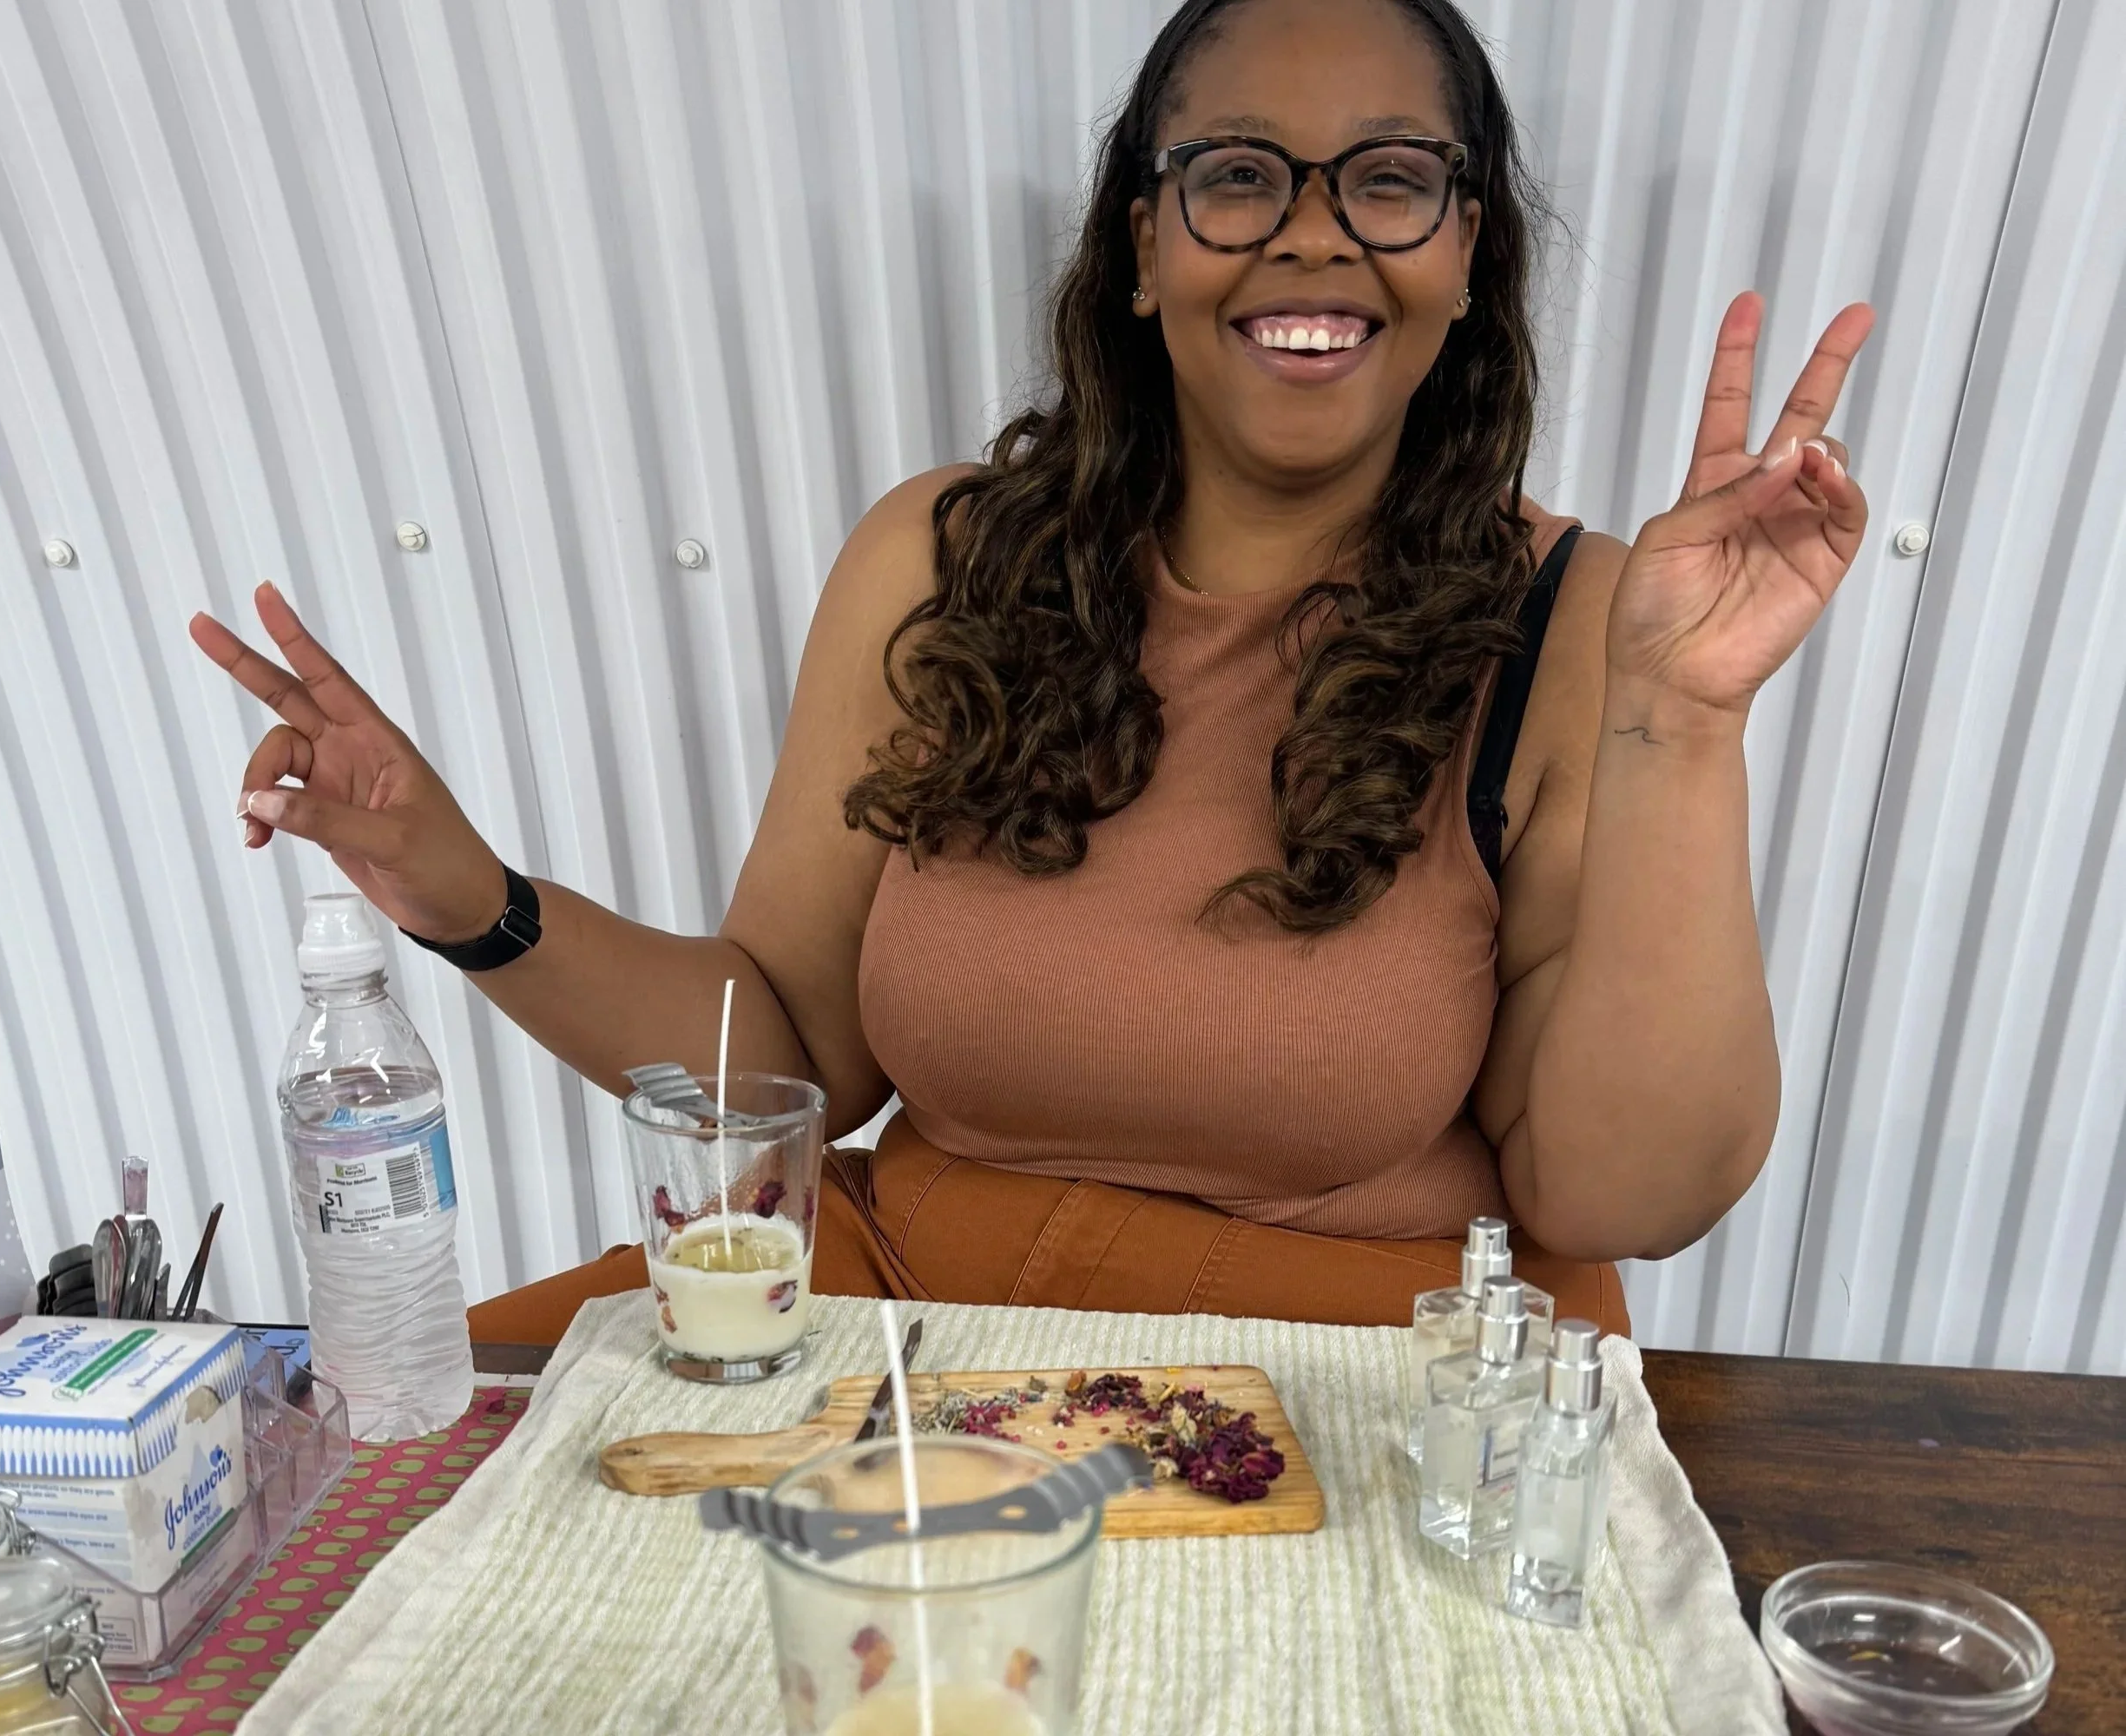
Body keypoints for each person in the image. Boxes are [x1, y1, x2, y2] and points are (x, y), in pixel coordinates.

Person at [191, 0, 1870, 1347]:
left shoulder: (1579, 617)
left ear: (1461, 255)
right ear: (1143, 249)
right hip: (912, 1338)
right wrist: (459, 886)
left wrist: (1683, 724)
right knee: (364, 1508)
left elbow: (1618, 1193)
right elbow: (795, 1060)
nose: (1311, 236)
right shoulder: (939, 559)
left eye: (1387, 178)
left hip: (1350, 1374)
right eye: (1235, 175)